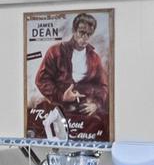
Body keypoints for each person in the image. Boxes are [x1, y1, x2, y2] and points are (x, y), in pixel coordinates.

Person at [32, 12, 110, 140]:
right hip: (60, 111)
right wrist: (62, 95)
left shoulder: (94, 58)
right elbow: (41, 79)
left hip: (86, 114)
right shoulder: (55, 51)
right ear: (74, 30)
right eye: (81, 32)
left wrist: (96, 104)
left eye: (89, 34)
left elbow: (103, 86)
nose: (85, 37)